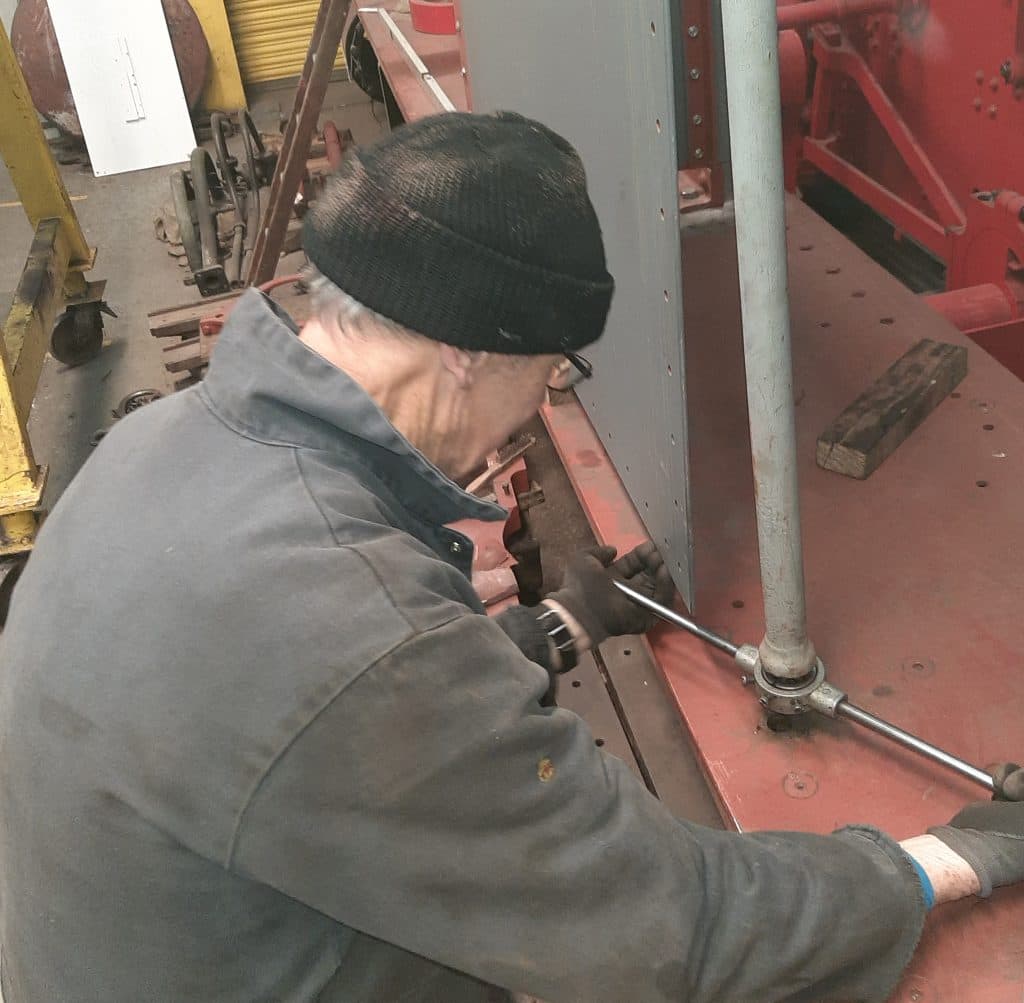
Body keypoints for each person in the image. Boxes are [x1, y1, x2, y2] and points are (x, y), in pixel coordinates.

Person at [0, 112, 1021, 1003]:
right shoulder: (350, 634)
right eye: (550, 371)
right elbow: (674, 931)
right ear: (466, 355)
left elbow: (302, 720)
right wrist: (949, 857)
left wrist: (559, 622)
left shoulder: (159, 444)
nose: (540, 407)